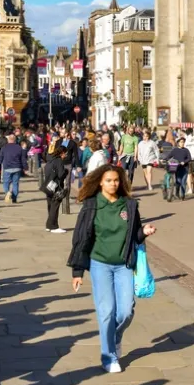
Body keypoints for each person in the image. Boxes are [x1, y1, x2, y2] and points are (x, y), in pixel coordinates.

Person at [67, 165, 156, 373]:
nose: (113, 184)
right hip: (100, 264)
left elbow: (134, 235)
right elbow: (81, 239)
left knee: (125, 311)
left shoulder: (129, 205)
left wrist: (144, 231)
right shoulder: (91, 206)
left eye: (116, 180)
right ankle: (109, 357)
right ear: (100, 182)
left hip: (124, 264)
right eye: (108, 180)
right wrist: (77, 272)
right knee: (106, 311)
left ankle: (114, 338)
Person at [43, 145, 70, 234]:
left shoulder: (50, 160)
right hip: (56, 186)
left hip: (48, 185)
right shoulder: (59, 161)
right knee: (55, 206)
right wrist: (66, 171)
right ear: (62, 153)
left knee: (50, 206)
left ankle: (48, 225)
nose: (66, 155)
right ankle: (53, 226)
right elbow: (61, 175)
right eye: (65, 153)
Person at [0, 133, 27, 204]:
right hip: (17, 167)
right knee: (15, 183)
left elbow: (0, 158)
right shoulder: (19, 148)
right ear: (15, 140)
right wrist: (25, 167)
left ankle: (7, 192)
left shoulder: (4, 148)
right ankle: (14, 199)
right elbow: (23, 159)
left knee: (6, 182)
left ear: (8, 140)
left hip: (7, 167)